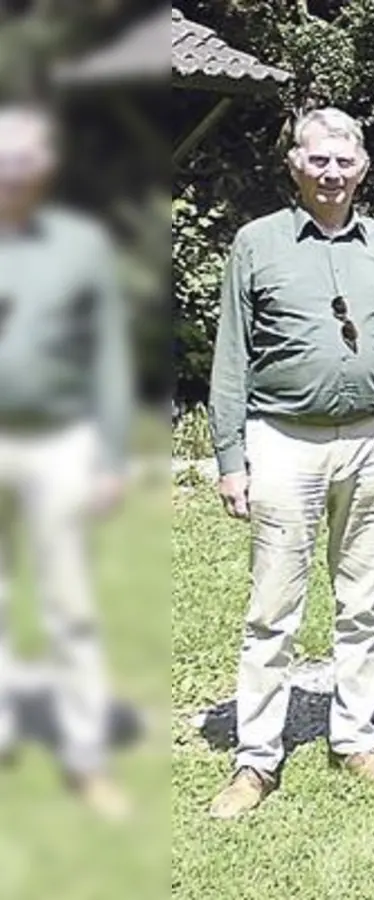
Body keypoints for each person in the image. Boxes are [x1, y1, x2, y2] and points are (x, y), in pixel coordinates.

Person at [207, 107, 374, 819]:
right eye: (318, 160)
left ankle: (355, 738)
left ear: (362, 167)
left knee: (364, 600)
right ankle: (256, 758)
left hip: (373, 438)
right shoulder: (257, 243)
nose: (331, 173)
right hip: (284, 439)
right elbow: (232, 355)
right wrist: (230, 456)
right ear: (295, 165)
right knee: (273, 606)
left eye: (343, 161)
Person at [0, 104, 132, 820]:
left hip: (58, 444)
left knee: (69, 603)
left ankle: (85, 757)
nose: (14, 171)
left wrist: (110, 457)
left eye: (26, 158)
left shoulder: (80, 245)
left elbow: (109, 353)